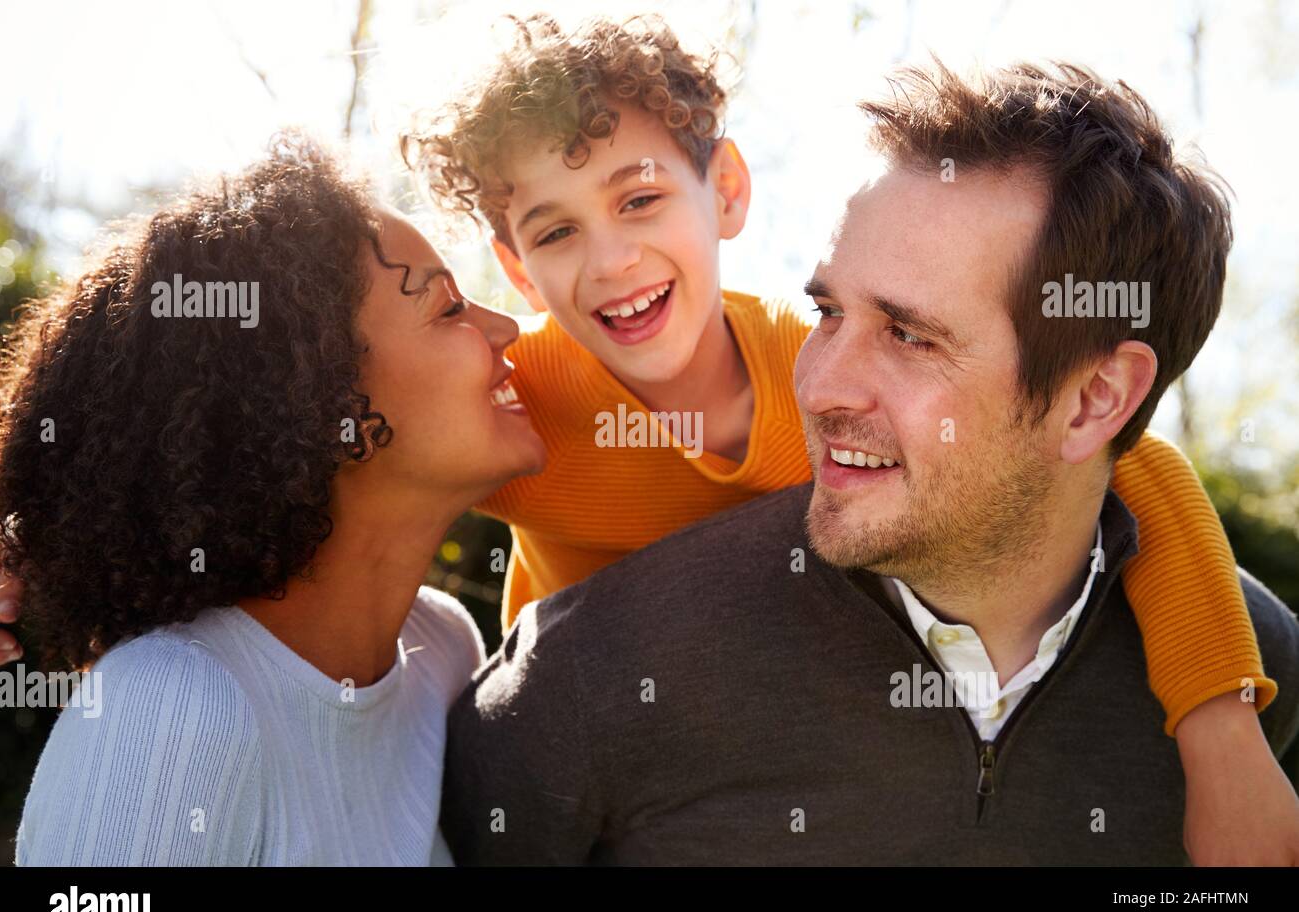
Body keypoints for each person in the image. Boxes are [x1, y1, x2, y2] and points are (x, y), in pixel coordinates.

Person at [438, 60, 1299, 865]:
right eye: (829, 313)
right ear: (514, 265)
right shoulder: (527, 433)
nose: (825, 386)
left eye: (911, 335)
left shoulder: (1253, 660)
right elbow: (360, 496)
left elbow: (1136, 469)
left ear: (1095, 400)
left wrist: (1216, 718)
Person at [4, 132, 545, 865]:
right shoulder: (174, 707)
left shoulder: (443, 652)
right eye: (449, 309)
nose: (506, 327)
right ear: (322, 406)